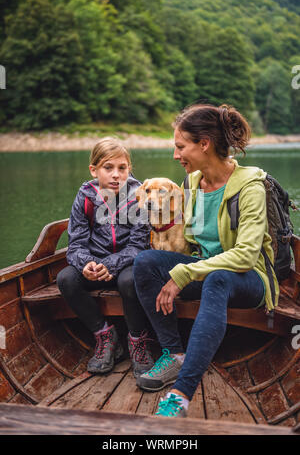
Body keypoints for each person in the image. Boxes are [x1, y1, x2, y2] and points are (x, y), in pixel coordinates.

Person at [133, 103, 279, 418]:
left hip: (248, 278)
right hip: (204, 269)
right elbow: (190, 238)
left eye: (180, 146)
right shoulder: (192, 184)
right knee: (145, 262)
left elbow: (244, 256)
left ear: (204, 144)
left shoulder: (251, 186)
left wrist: (184, 273)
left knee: (218, 278)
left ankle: (180, 396)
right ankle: (173, 354)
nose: (176, 155)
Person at [57, 138, 154, 378]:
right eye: (108, 168)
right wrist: (86, 264)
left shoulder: (139, 196)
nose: (116, 175)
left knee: (129, 281)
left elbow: (138, 245)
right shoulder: (85, 196)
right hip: (95, 264)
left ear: (129, 168)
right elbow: (76, 244)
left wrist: (110, 265)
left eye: (122, 168)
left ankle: (137, 341)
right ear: (94, 170)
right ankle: (105, 335)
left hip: (126, 265)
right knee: (66, 279)